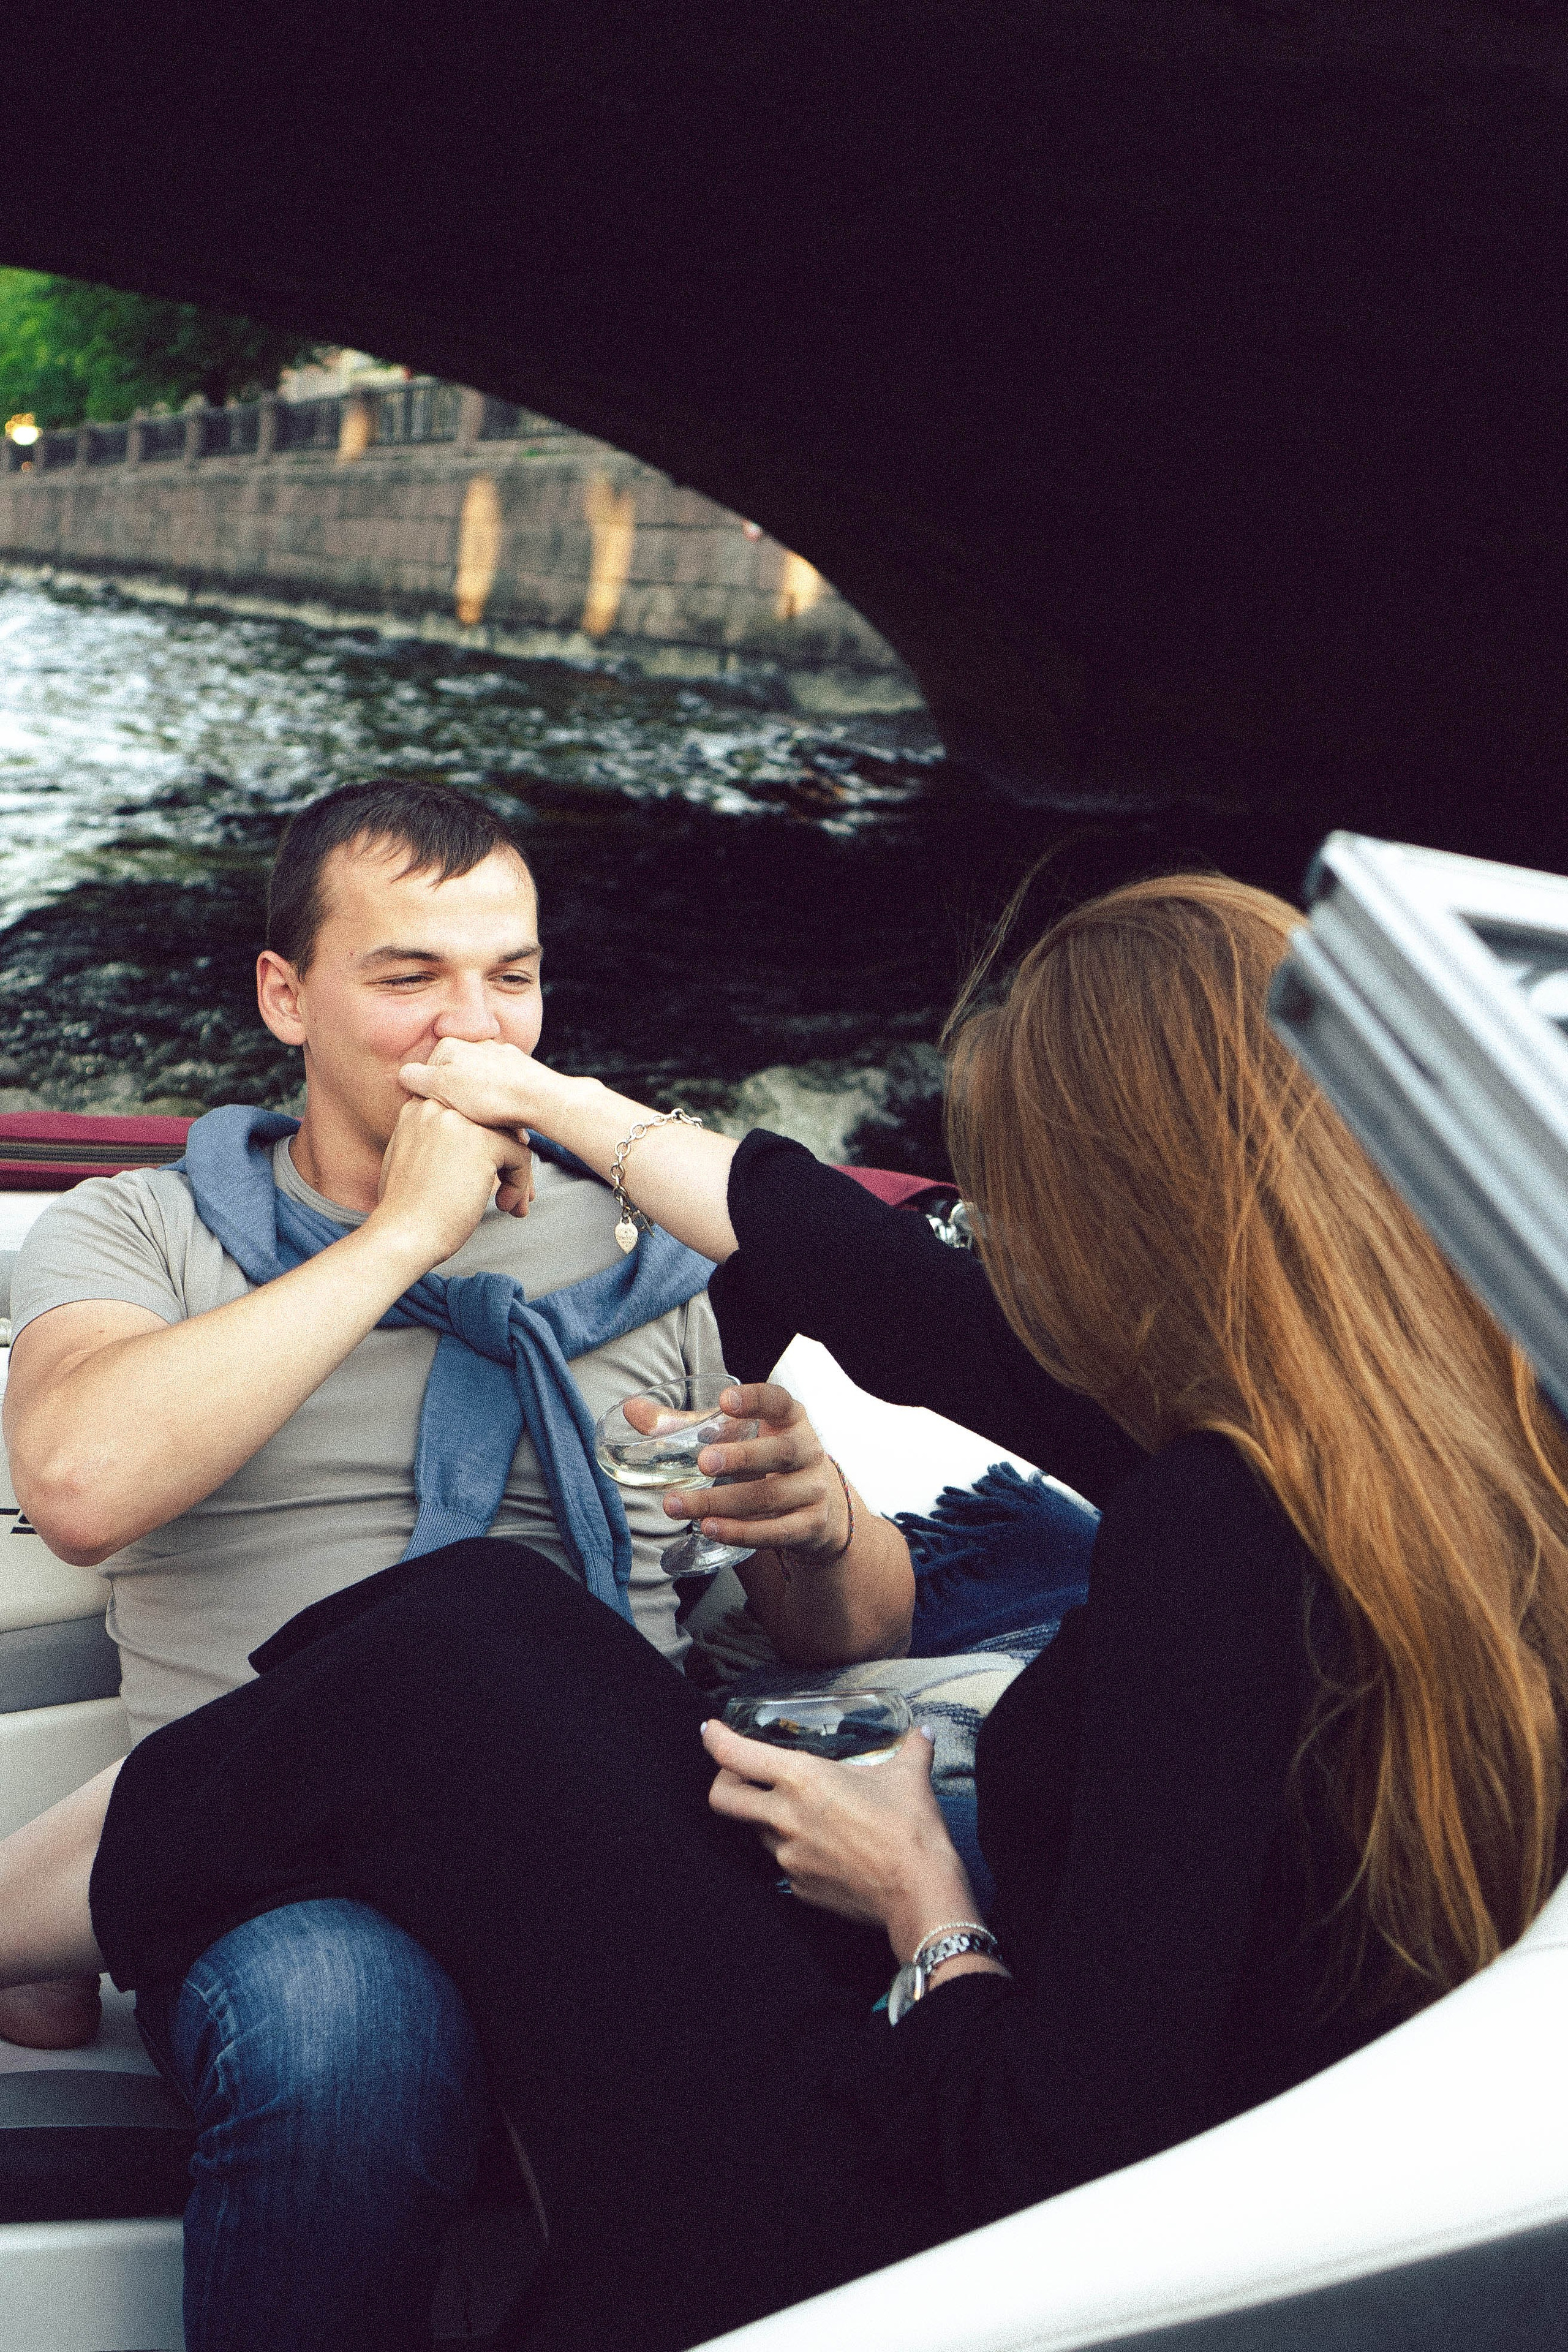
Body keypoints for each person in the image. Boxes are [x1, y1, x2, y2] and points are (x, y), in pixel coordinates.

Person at [6, 868, 1567, 2351]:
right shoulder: (1431, 1436)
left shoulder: (1212, 1541)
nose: (998, 1248)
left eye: (1012, 1201)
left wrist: (918, 1895)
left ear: (1123, 1213)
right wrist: (551, 1101)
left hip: (946, 2248)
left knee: (461, 1652)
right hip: (1171, 2159)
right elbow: (898, 1301)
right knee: (473, 1628)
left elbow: (1056, 2157)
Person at [0, 780, 908, 2352]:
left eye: (511, 976)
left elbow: (843, 1630)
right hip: (277, 1870)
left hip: (609, 1830)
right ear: (286, 996)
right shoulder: (138, 1232)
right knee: (348, 2030)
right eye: (408, 976)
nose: (472, 1029)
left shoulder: (640, 1251)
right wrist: (400, 1239)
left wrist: (816, 1521)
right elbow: (78, 1481)